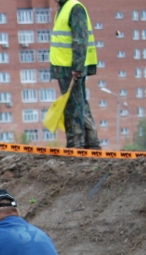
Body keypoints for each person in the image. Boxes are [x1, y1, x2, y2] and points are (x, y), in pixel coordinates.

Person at [50, 0, 101, 150]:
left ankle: (76, 145)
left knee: (73, 107)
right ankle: (92, 144)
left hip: (70, 68)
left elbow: (80, 38)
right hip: (63, 67)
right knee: (79, 104)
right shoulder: (64, 8)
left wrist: (77, 66)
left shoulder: (74, 8)